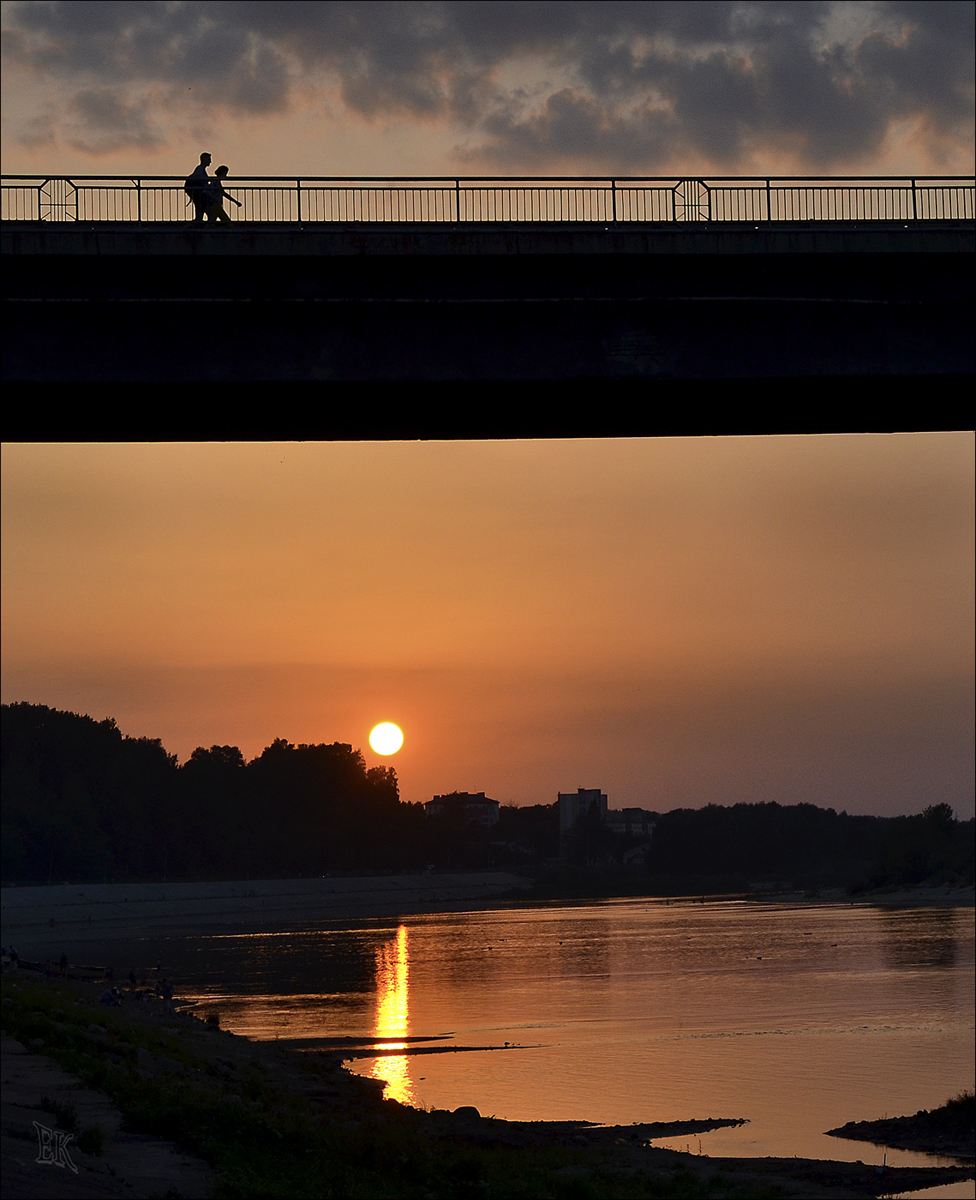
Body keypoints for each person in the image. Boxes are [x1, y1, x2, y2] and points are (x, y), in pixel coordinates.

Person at [184, 152, 212, 222]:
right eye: (209, 159)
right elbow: (199, 182)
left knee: (199, 217)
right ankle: (185, 230)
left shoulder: (200, 169)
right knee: (207, 215)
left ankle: (187, 230)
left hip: (200, 196)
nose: (210, 161)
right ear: (205, 159)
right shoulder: (200, 169)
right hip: (200, 195)